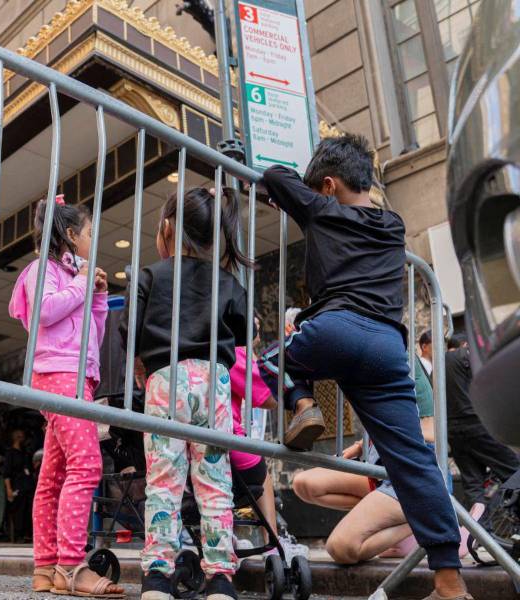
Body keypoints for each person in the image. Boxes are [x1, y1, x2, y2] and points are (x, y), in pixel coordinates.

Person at [257, 135, 470, 600]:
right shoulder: (393, 225)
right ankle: (450, 582)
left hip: (333, 331)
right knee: (414, 460)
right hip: (386, 349)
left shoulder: (324, 210)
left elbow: (276, 176)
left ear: (328, 186)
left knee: (269, 360)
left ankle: (305, 402)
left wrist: (299, 196)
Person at [121, 186, 252, 600]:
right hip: (213, 382)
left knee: (163, 481)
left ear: (166, 229)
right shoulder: (227, 280)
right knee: (215, 482)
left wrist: (143, 358)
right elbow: (246, 328)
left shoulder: (150, 275)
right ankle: (220, 579)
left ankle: (157, 576)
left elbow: (128, 328)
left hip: (165, 382)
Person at [9, 195, 124, 598]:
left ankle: (45, 568)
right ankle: (72, 565)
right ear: (72, 236)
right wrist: (79, 283)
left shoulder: (71, 275)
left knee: (54, 475)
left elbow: (92, 331)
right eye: (90, 232)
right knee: (87, 464)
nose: (95, 238)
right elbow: (44, 311)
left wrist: (96, 297)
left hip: (78, 378)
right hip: (57, 374)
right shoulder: (43, 269)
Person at [291, 356, 449, 564]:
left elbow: (428, 432)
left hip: (412, 475)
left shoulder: (395, 354)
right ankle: (399, 521)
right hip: (381, 471)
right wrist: (358, 447)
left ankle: (421, 522)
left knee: (340, 548)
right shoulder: (370, 359)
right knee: (303, 484)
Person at [445, 333, 519, 506]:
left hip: (453, 431)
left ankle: (479, 531)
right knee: (514, 472)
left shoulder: (437, 366)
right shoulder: (466, 355)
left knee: (473, 485)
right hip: (477, 424)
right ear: (465, 344)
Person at [227, 314, 278, 539]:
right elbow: (269, 399)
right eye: (253, 322)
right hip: (225, 445)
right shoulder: (234, 352)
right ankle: (273, 540)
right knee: (260, 466)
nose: (257, 325)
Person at [4, 430, 34, 543]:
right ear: (16, 438)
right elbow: (6, 473)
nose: (23, 439)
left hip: (28, 485)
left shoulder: (25, 453)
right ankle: (18, 534)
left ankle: (28, 534)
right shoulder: (10, 453)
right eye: (20, 437)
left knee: (29, 509)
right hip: (17, 485)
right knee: (19, 510)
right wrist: (9, 489)